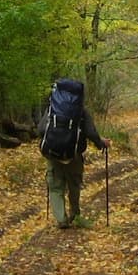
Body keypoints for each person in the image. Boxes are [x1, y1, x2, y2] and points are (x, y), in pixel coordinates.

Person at [37, 81, 109, 228]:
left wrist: (52, 140)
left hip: (53, 155)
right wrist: (101, 143)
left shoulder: (52, 109)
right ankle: (74, 214)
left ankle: (61, 219)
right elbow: (91, 133)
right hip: (74, 155)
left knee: (56, 188)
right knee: (74, 185)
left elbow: (40, 130)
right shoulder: (81, 112)